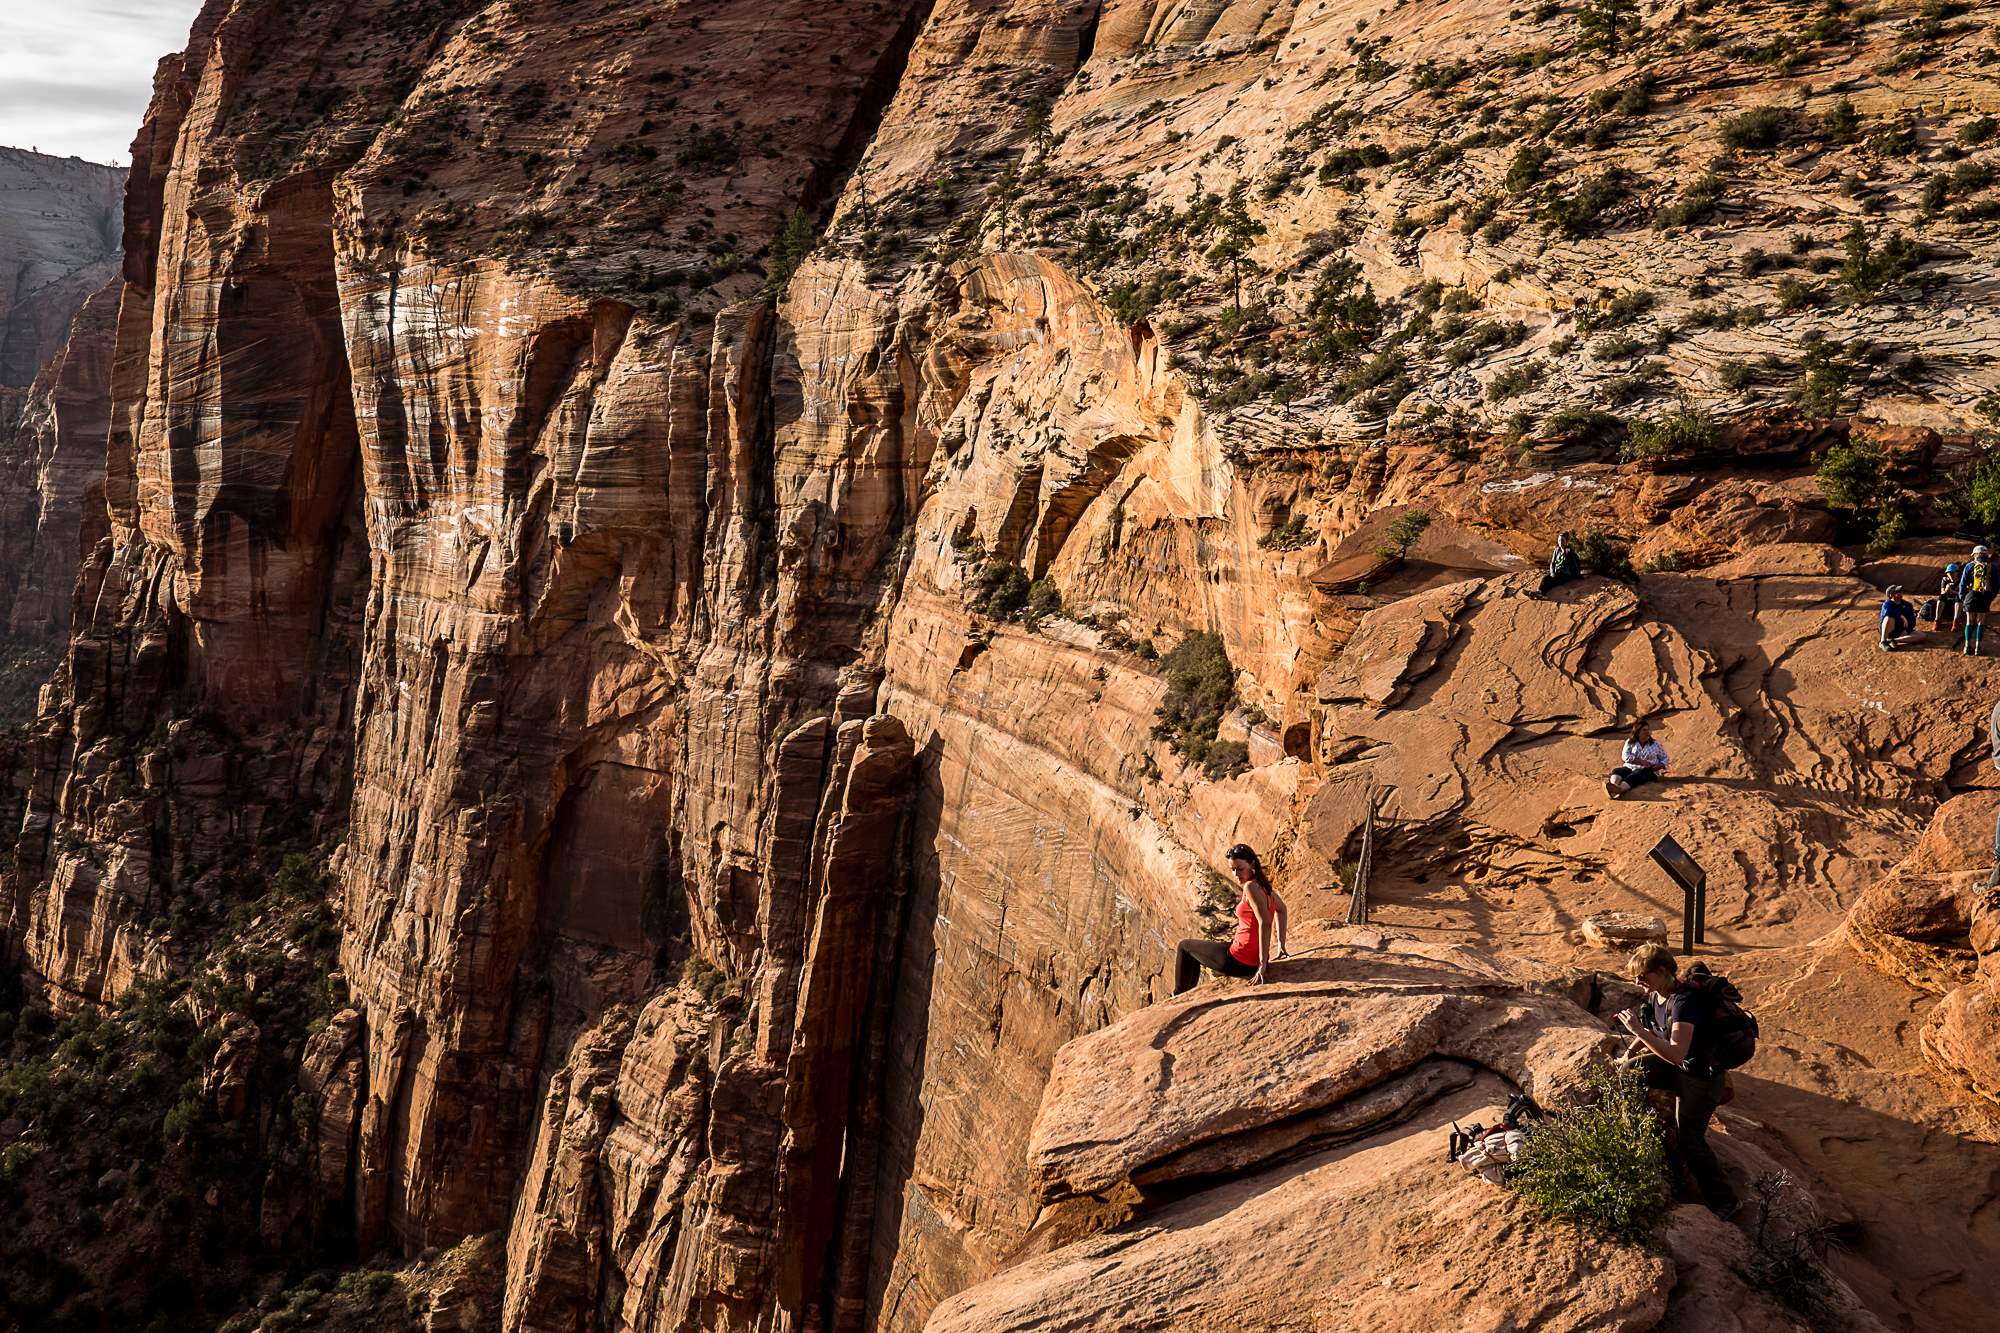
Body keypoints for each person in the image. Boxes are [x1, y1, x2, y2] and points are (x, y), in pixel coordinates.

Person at [1616, 944, 1744, 1221]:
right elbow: (1653, 1029)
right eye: (1635, 977)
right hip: (1681, 1067)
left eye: (1642, 976)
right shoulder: (1657, 994)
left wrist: (1636, 1029)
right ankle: (1633, 1129)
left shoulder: (1686, 1001)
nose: (1638, 983)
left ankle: (1727, 1201)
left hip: (1701, 1077)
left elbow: (1675, 1053)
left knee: (1691, 1143)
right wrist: (1629, 1050)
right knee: (1630, 1070)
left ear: (1662, 971)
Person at [1172, 844, 1287, 994]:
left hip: (1240, 961)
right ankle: (1186, 995)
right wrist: (1281, 946)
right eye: (1232, 869)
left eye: (1240, 869)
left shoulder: (1250, 887)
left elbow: (1264, 922)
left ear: (1252, 864)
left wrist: (1262, 963)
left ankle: (1178, 996)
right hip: (1247, 958)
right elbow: (1281, 909)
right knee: (1201, 951)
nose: (1235, 874)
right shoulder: (1263, 886)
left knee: (1184, 947)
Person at [1605, 719, 1668, 799]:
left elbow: (1665, 758)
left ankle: (1616, 792)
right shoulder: (1630, 742)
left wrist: (1661, 765)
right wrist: (1642, 762)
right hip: (1630, 767)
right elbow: (1625, 756)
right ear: (1638, 732)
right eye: (1644, 730)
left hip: (1648, 771)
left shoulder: (1656, 745)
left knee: (1635, 776)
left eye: (1648, 730)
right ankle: (1614, 786)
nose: (1647, 732)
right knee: (1617, 771)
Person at [1958, 546, 1997, 656]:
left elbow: (1963, 582)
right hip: (1985, 595)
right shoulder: (1992, 567)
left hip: (1971, 594)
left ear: (1975, 555)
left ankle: (1967, 646)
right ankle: (1978, 647)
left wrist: (1962, 596)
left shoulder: (1970, 565)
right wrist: (1991, 596)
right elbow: (1997, 584)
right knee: (1981, 621)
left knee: (1969, 620)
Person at [1533, 531, 1581, 598]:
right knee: (1545, 578)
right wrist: (1552, 572)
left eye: (1563, 540)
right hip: (1556, 572)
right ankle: (1539, 592)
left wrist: (1579, 576)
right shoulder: (1557, 550)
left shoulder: (1569, 550)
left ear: (1567, 541)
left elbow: (1574, 563)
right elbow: (1552, 563)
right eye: (1559, 540)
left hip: (1565, 574)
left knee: (1552, 582)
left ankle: (1540, 593)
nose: (1561, 542)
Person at [1878, 585, 1923, 650]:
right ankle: (1883, 641)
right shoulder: (1887, 604)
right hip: (1890, 630)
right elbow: (1888, 612)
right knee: (1889, 618)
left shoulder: (1908, 605)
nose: (1901, 593)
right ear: (1891, 595)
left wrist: (1907, 629)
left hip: (1901, 631)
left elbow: (1912, 620)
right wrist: (1900, 616)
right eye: (1898, 592)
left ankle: (1894, 641)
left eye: (1901, 591)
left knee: (1921, 635)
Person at [1934, 561, 1962, 634]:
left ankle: (1956, 620)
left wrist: (1952, 592)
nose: (1950, 575)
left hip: (1958, 606)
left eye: (1952, 573)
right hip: (1947, 604)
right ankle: (1937, 619)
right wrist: (1946, 590)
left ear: (1957, 572)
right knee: (1941, 597)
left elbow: (1963, 594)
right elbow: (1942, 592)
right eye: (1948, 573)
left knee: (1958, 597)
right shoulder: (1945, 580)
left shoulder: (1962, 581)